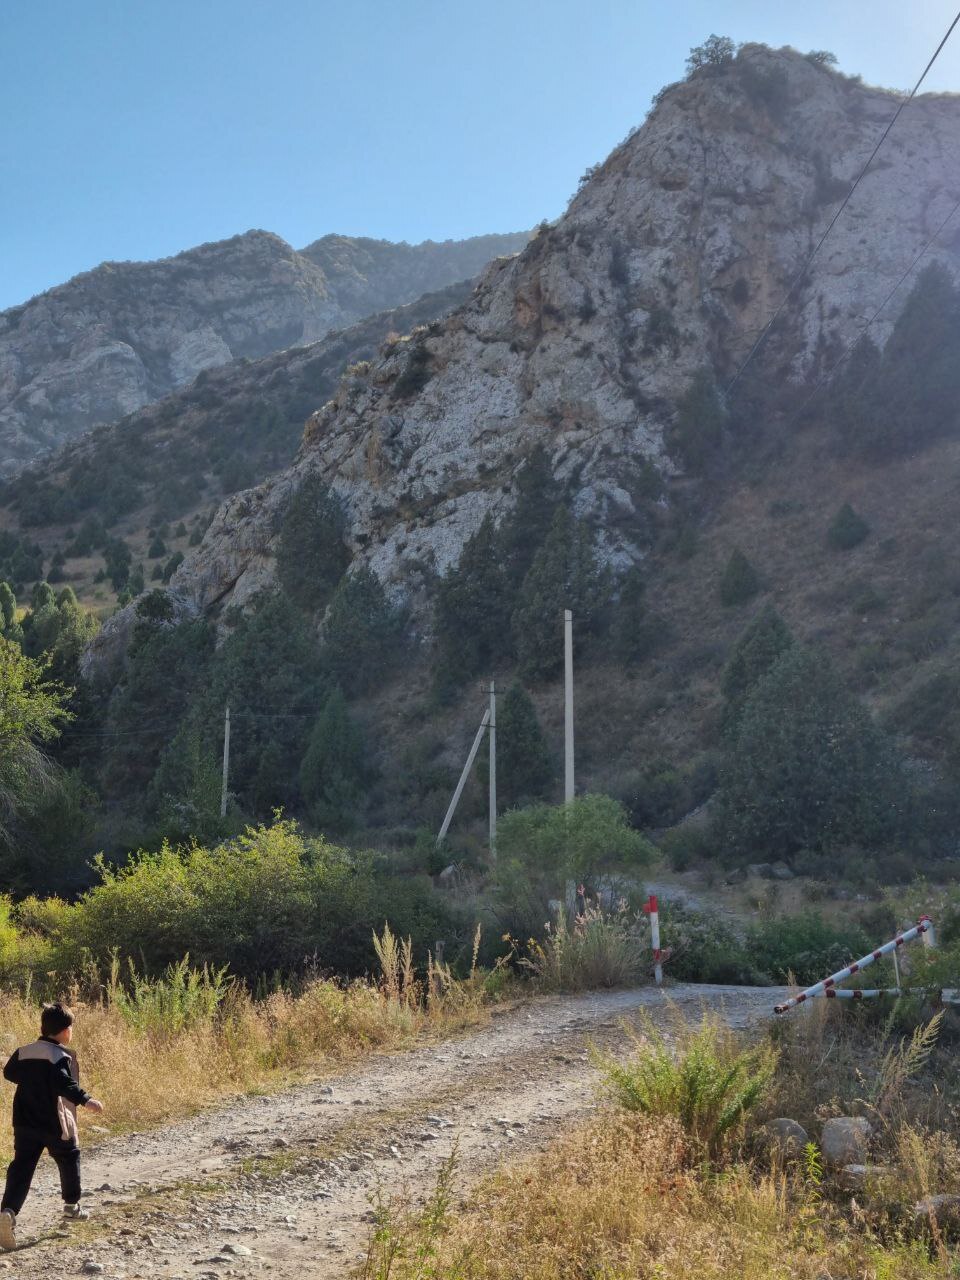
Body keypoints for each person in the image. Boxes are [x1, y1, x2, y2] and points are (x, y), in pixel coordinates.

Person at [0, 1002, 104, 1251]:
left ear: (42, 1027)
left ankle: (8, 1212)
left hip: (25, 1122)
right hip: (55, 1122)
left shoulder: (24, 1051)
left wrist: (32, 1078)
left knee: (22, 1168)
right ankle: (71, 1207)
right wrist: (86, 1099)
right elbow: (63, 1083)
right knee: (69, 1156)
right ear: (66, 1031)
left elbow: (9, 1073)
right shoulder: (59, 1056)